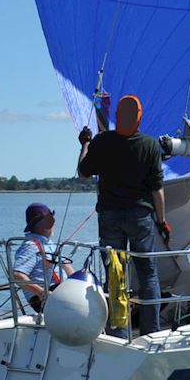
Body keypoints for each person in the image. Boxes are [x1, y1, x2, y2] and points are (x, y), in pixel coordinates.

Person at [77, 94, 167, 335]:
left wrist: (85, 143)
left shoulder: (101, 142)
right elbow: (157, 189)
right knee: (148, 274)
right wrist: (163, 221)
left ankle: (118, 331)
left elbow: (82, 173)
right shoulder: (149, 145)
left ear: (117, 117)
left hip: (110, 218)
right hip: (141, 217)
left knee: (115, 274)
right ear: (139, 118)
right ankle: (152, 331)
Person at [10, 202, 72, 314]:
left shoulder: (50, 244)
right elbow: (18, 275)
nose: (54, 222)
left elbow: (69, 269)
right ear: (40, 224)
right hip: (45, 297)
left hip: (63, 291)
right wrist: (42, 292)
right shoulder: (31, 246)